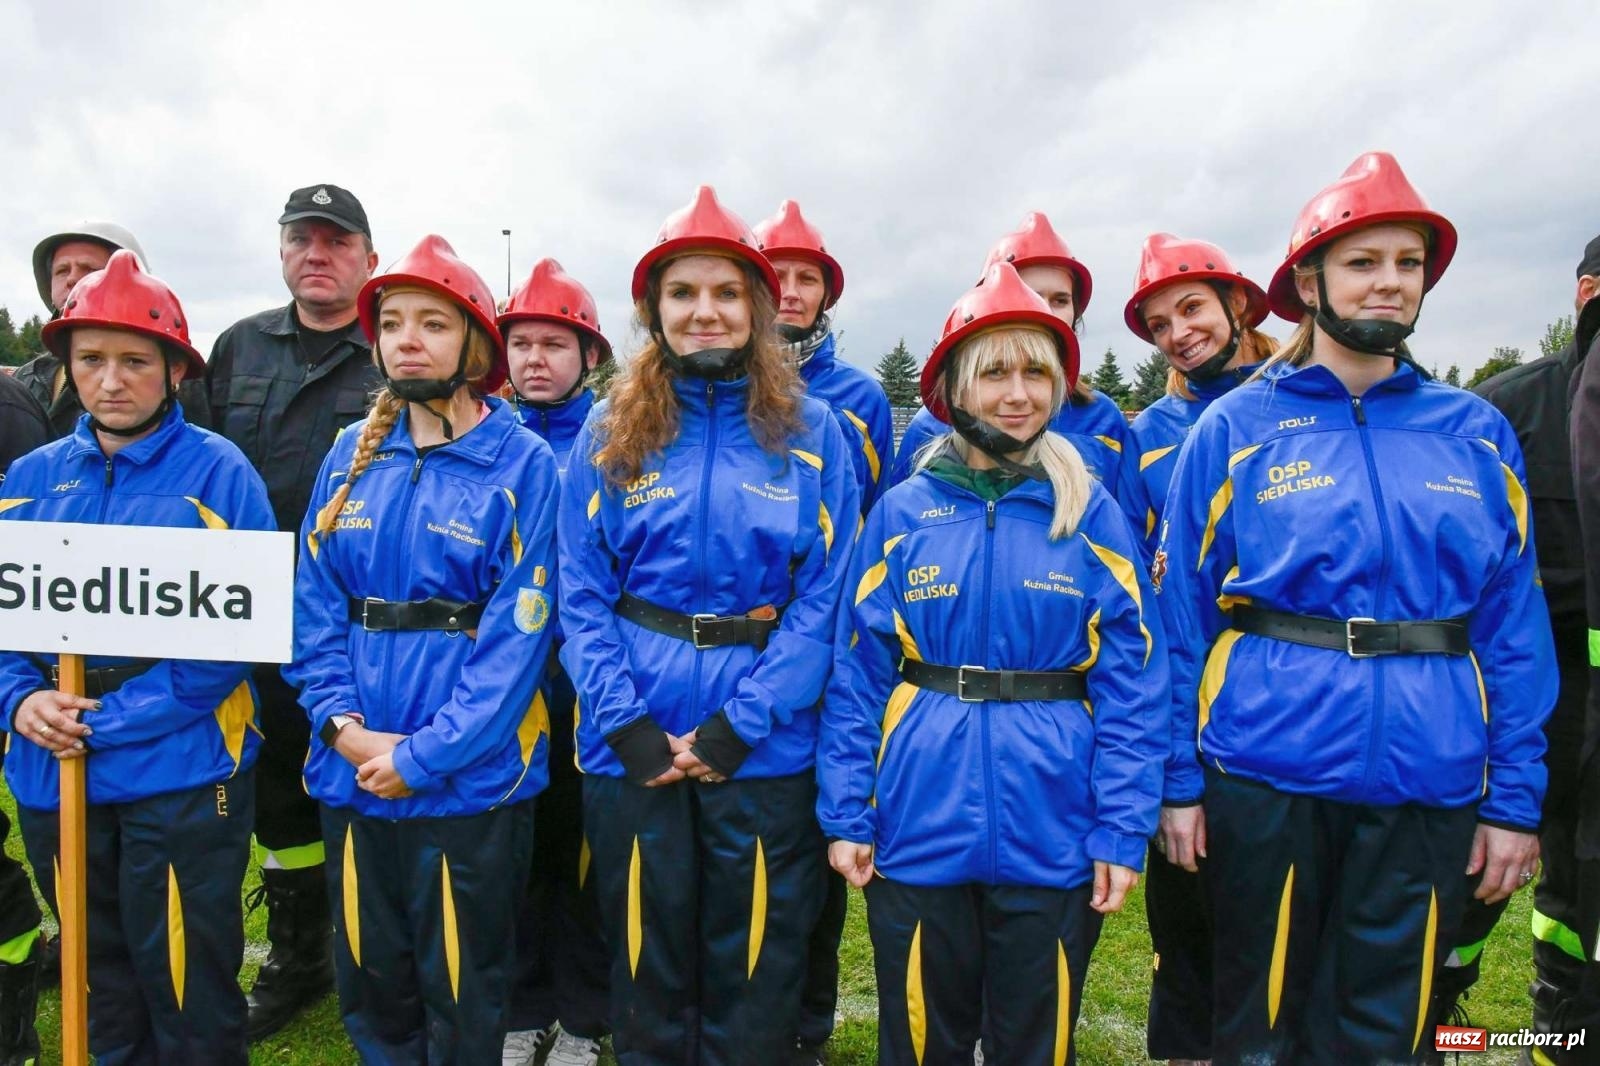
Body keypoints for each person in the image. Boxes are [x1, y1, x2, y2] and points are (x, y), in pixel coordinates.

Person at [1155, 151, 1557, 1064]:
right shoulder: (1237, 428)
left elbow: (1512, 629)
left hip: (1432, 775)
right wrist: (1178, 783)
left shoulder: (1474, 431)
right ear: (1308, 281)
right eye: (1364, 262)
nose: (1389, 284)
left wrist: (1516, 802)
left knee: (1388, 1032)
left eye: (1408, 264)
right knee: (1257, 1025)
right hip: (1265, 771)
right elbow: (1180, 619)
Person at [819, 261, 1166, 1065]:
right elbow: (858, 671)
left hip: (1054, 822)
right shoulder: (902, 513)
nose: (1020, 394)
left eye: (1037, 372)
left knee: (1033, 1042)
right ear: (955, 390)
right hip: (916, 816)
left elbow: (1134, 684)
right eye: (997, 373)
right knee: (920, 1039)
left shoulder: (1093, 514)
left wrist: (1121, 825)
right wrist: (846, 811)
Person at [559, 185, 859, 1064]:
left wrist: (741, 724)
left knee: (757, 952)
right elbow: (580, 591)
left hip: (763, 744)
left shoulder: (814, 432)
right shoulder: (610, 428)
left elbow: (826, 598)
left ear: (758, 310)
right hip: (634, 741)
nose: (705, 311)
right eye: (683, 293)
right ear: (654, 309)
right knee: (647, 950)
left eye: (726, 293)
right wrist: (625, 723)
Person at [285, 234, 559, 1062]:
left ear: (474, 344)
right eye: (394, 321)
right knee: (372, 977)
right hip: (352, 769)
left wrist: (429, 754)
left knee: (464, 983)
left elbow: (520, 637)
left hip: (470, 784)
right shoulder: (346, 456)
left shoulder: (524, 463)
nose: (408, 337)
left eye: (432, 323)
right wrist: (342, 728)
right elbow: (314, 606)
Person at [0, 250, 275, 1063]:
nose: (111, 380)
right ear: (67, 366)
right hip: (54, 769)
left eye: (134, 361)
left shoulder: (221, 475)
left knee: (189, 980)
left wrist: (111, 719)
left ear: (174, 370)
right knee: (96, 974)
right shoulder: (29, 479)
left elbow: (233, 641)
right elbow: (7, 622)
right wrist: (21, 702)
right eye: (91, 359)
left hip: (182, 770)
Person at [206, 184, 383, 1040]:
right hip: (248, 612)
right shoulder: (237, 347)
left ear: (367, 260)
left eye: (336, 241)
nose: (317, 253)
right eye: (301, 238)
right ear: (281, 251)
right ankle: (298, 953)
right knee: (277, 794)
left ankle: (375, 953)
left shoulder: (393, 351)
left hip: (357, 621)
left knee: (364, 779)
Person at [1421, 234, 1600, 1064]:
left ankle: (1562, 1040)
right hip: (1533, 698)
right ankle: (1430, 1023)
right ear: (1586, 292)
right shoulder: (1508, 413)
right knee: (1476, 885)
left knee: (1581, 900)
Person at [1124, 233, 1276, 1065]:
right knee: (1184, 917)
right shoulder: (1147, 431)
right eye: (1158, 323)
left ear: (1237, 305)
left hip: (1272, 696)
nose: (1178, 332)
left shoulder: (1300, 402)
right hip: (1175, 687)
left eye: (1190, 309)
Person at [752, 197, 893, 1063]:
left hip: (831, 646)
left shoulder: (860, 398)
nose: (793, 292)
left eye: (809, 279)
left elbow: (864, 526)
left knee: (820, 836)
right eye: (781, 277)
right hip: (740, 658)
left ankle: (807, 1020)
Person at [497, 258, 612, 1066]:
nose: (536, 359)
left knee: (585, 854)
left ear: (589, 356)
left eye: (555, 344)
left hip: (586, 684)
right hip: (502, 689)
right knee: (517, 853)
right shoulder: (486, 436)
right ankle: (522, 1003)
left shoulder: (618, 437)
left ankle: (583, 1015)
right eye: (522, 343)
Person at [888, 212, 1149, 549]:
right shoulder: (932, 424)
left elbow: (1123, 537)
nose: (1047, 311)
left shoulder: (1103, 418)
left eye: (1061, 300)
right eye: (1031, 295)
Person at [14, 220, 207, 439]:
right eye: (62, 270)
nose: (72, 279)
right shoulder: (28, 375)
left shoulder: (176, 378)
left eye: (88, 269)